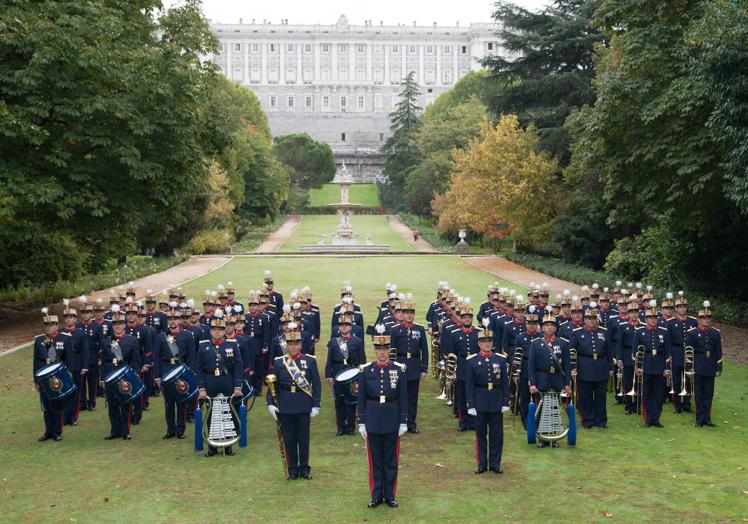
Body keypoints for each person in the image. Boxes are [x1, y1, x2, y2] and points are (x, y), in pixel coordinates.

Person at [357, 326, 408, 509]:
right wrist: (361, 421)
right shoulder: (366, 371)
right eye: (379, 349)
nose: (382, 353)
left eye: (385, 349)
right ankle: (376, 495)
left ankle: (390, 495)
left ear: (389, 350)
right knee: (375, 460)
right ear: (375, 350)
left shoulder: (399, 369)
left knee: (391, 460)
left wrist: (403, 421)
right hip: (372, 419)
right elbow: (361, 398)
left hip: (392, 419)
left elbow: (403, 397)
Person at [266, 331, 321, 479]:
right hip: (285, 404)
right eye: (290, 344)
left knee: (303, 439)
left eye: (296, 344)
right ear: (286, 345)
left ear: (300, 345)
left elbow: (316, 383)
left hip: (303, 403)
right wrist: (270, 403)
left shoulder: (309, 361)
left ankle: (304, 468)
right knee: (289, 438)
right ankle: (292, 469)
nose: (293, 347)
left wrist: (316, 404)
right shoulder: (279, 362)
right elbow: (272, 384)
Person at [196, 311, 244, 456]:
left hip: (227, 382)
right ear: (210, 331)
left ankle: (229, 445)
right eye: (214, 329)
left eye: (220, 330)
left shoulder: (232, 345)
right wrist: (202, 389)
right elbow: (199, 369)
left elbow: (238, 366)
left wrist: (237, 386)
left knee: (229, 412)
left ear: (224, 331)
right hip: (210, 383)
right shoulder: (203, 346)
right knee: (211, 414)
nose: (217, 332)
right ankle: (212, 446)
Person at [465, 323, 509, 473]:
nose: (487, 344)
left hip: (496, 401)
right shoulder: (471, 361)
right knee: (481, 435)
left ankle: (495, 464)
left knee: (497, 435)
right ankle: (482, 464)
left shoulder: (501, 360)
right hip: (480, 401)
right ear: (478, 343)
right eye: (483, 341)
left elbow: (504, 383)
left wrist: (505, 401)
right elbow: (469, 385)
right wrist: (470, 404)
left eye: (489, 341)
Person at [529, 310, 572, 447]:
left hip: (556, 378)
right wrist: (532, 383)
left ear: (555, 328)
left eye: (552, 325)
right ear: (542, 327)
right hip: (541, 378)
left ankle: (553, 438)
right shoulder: (536, 343)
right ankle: (541, 438)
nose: (549, 327)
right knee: (541, 409)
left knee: (554, 409)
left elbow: (566, 365)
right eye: (546, 325)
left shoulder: (563, 343)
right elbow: (531, 366)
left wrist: (567, 384)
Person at [100, 305, 140, 440]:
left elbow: (135, 360)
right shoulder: (106, 341)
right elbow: (104, 361)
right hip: (110, 374)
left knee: (125, 404)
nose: (117, 326)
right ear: (112, 326)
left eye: (120, 324)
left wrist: (134, 376)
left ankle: (125, 431)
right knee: (112, 405)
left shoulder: (131, 340)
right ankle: (114, 431)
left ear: (124, 325)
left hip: (125, 375)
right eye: (115, 324)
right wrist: (103, 378)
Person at [154, 309, 196, 439]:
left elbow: (191, 357)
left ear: (179, 320)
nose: (173, 321)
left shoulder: (187, 335)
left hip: (181, 370)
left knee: (181, 402)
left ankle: (180, 430)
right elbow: (157, 357)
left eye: (175, 319)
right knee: (169, 403)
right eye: (170, 319)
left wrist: (191, 374)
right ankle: (170, 429)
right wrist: (157, 376)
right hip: (166, 370)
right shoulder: (161, 336)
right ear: (167, 321)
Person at [33, 309, 74, 441]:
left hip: (58, 377)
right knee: (46, 406)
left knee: (56, 405)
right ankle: (48, 431)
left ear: (57, 325)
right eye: (46, 325)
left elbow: (69, 360)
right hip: (44, 377)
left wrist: (67, 376)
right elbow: (35, 361)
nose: (49, 327)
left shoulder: (65, 339)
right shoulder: (39, 340)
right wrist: (36, 380)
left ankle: (57, 432)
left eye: (51, 325)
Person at [389, 297, 428, 433]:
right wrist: (392, 367)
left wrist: (424, 369)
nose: (409, 315)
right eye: (407, 312)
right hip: (399, 367)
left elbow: (425, 350)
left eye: (411, 312)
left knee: (412, 397)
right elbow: (391, 352)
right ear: (402, 314)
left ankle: (411, 423)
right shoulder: (395, 330)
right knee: (398, 396)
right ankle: (399, 422)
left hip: (414, 367)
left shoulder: (420, 329)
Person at [572, 307, 613, 429]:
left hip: (601, 366)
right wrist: (573, 368)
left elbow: (609, 351)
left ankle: (601, 420)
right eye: (589, 318)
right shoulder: (577, 332)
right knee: (585, 396)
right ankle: (587, 420)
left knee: (601, 396)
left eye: (594, 318)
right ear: (585, 319)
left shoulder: (604, 332)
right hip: (584, 367)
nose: (592, 321)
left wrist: (610, 367)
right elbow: (572, 352)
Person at [325, 315, 366, 435]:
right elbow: (329, 360)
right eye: (341, 325)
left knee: (352, 400)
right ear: (338, 327)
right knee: (339, 401)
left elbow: (362, 360)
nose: (344, 327)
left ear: (350, 327)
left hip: (352, 374)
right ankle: (341, 427)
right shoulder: (333, 342)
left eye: (346, 325)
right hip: (337, 372)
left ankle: (351, 427)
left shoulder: (357, 341)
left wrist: (361, 376)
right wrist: (329, 375)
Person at [632, 301, 671, 428]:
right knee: (647, 393)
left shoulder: (664, 332)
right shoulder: (639, 332)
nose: (653, 320)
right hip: (646, 366)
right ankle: (648, 418)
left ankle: (656, 418)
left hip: (659, 365)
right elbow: (635, 352)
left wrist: (667, 369)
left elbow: (668, 353)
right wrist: (638, 367)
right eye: (650, 318)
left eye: (655, 318)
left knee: (659, 394)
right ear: (646, 319)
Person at [685, 301, 722, 427]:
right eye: (703, 318)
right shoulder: (692, 333)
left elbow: (718, 352)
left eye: (708, 318)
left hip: (710, 365)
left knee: (709, 394)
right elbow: (688, 353)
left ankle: (707, 418)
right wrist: (689, 369)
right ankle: (699, 418)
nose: (706, 320)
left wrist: (718, 368)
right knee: (698, 394)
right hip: (698, 365)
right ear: (699, 319)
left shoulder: (715, 333)